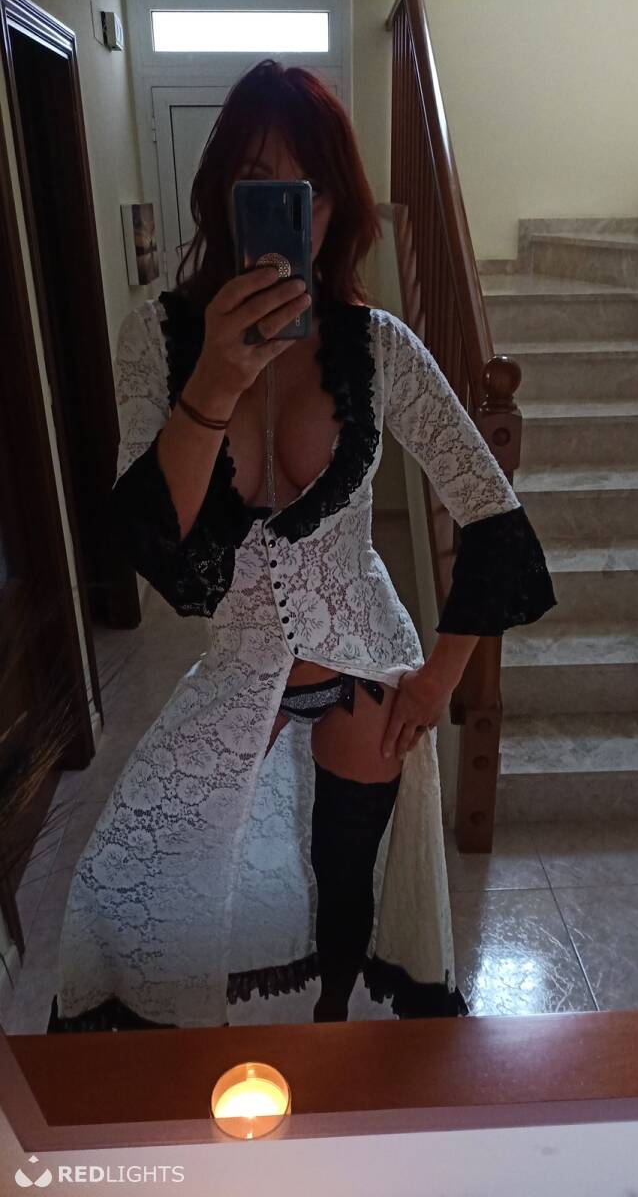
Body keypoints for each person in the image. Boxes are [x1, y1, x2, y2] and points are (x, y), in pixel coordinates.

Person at [48, 59, 556, 1033]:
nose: (290, 211)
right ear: (222, 196)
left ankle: (332, 1033)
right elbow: (161, 556)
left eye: (309, 189)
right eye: (258, 183)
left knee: (344, 883)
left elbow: (492, 517)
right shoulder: (157, 339)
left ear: (337, 207)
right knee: (141, 882)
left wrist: (441, 678)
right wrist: (215, 382)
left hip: (365, 667)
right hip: (236, 665)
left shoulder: (378, 346)